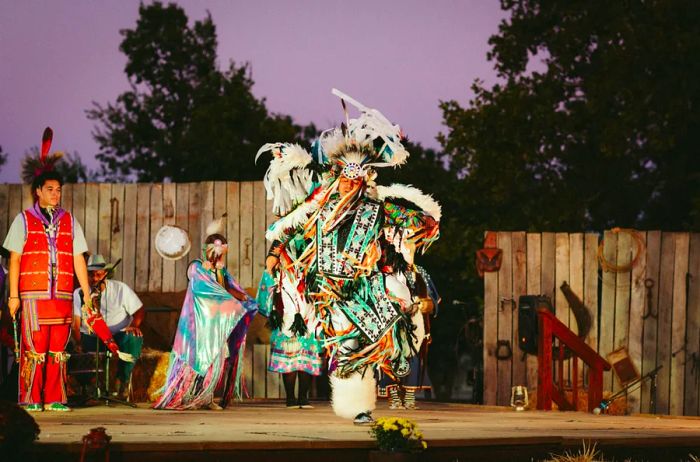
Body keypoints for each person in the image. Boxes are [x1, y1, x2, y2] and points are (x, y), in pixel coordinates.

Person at [256, 89, 441, 424]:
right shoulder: (319, 205)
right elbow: (290, 227)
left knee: (373, 339)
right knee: (347, 346)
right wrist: (274, 253)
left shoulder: (376, 207)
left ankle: (363, 404)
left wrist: (425, 221)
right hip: (326, 289)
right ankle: (356, 406)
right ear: (337, 176)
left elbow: (414, 220)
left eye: (353, 179)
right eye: (343, 177)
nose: (347, 184)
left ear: (361, 180)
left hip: (364, 286)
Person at [3, 127, 92, 412]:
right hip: (32, 296)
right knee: (33, 349)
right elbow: (15, 259)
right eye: (50, 189)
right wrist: (13, 296)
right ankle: (30, 398)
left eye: (59, 190)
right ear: (38, 191)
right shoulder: (24, 220)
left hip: (62, 296)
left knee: (57, 351)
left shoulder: (69, 221)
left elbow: (79, 258)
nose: (56, 194)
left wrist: (87, 296)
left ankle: (55, 397)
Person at [153, 223, 258, 410]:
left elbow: (226, 288)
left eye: (223, 252)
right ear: (208, 250)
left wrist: (242, 296)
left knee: (216, 358)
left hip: (216, 323)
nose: (220, 255)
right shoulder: (196, 267)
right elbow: (208, 289)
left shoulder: (221, 270)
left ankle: (206, 397)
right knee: (198, 358)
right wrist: (219, 279)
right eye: (218, 251)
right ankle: (189, 396)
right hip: (199, 324)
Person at [257, 239, 323, 409]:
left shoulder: (310, 272)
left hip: (309, 317)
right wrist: (270, 267)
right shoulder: (279, 274)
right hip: (288, 319)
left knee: (306, 358)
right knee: (290, 359)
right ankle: (290, 399)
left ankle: (303, 397)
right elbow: (267, 292)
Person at [71, 254, 145, 399]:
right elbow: (76, 323)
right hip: (92, 338)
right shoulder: (79, 293)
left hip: (117, 337)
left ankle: (122, 381)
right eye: (91, 275)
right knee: (72, 350)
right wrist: (78, 342)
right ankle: (89, 388)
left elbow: (139, 311)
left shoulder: (120, 288)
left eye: (98, 274)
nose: (95, 278)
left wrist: (133, 326)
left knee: (134, 338)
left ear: (105, 274)